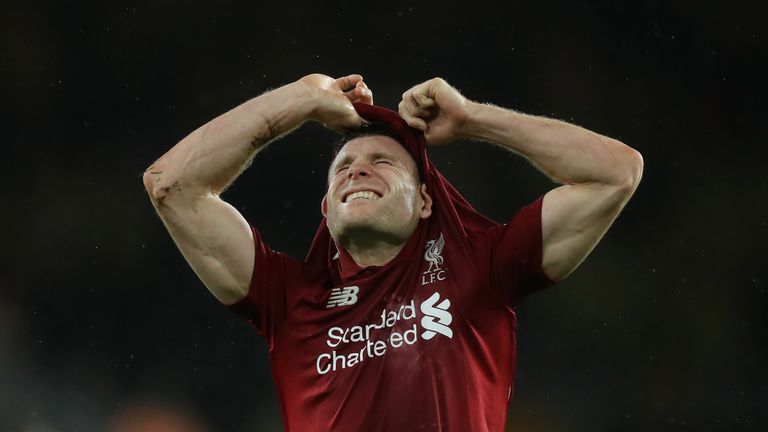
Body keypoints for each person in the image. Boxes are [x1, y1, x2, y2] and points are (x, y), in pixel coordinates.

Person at [142, 73, 643, 431]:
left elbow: (616, 172)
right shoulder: (290, 298)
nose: (357, 171)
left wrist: (474, 119)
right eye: (343, 168)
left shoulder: (482, 269)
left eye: (383, 161)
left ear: (425, 200)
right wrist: (299, 101)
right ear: (326, 207)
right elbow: (171, 186)